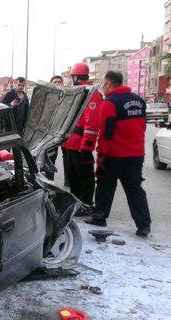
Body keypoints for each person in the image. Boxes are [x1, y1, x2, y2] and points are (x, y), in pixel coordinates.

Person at [85, 71, 151, 238]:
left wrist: (101, 156)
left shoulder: (109, 103)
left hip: (113, 155)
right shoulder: (139, 101)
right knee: (135, 189)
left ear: (108, 84)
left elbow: (106, 132)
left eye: (102, 84)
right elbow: (143, 127)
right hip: (136, 155)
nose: (102, 87)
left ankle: (100, 217)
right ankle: (143, 226)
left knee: (105, 186)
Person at [61, 63, 102, 210]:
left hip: (80, 145)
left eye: (72, 76)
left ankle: (85, 204)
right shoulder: (79, 91)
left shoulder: (91, 94)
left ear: (76, 76)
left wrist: (86, 147)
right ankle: (76, 203)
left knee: (84, 177)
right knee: (73, 177)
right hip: (70, 143)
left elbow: (92, 123)